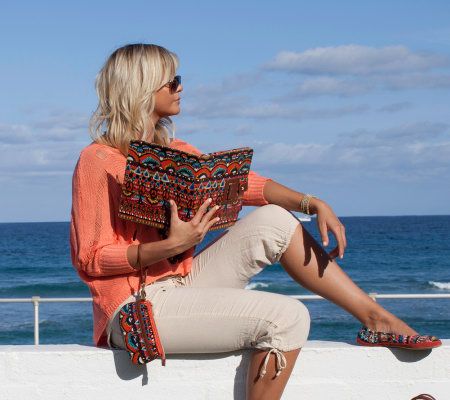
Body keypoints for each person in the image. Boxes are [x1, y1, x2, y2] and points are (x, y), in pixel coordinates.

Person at [70, 43, 441, 400]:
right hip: (134, 305)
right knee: (288, 317)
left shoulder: (177, 153)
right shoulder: (98, 160)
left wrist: (312, 203)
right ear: (142, 89)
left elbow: (245, 184)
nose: (181, 88)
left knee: (276, 219)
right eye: (172, 82)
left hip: (181, 284)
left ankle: (375, 319)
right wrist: (169, 246)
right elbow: (90, 259)